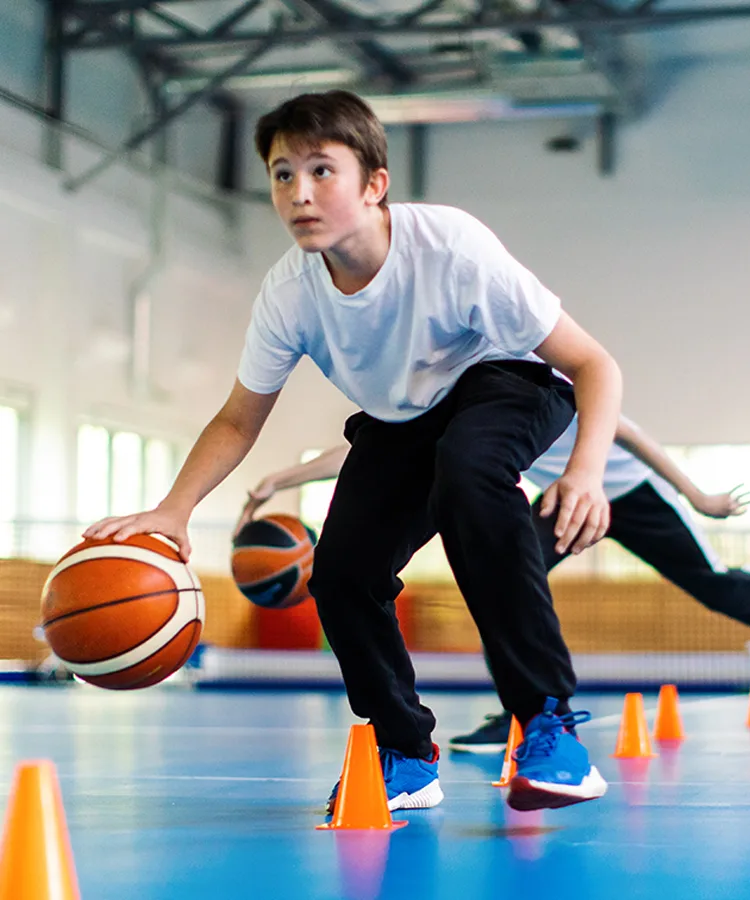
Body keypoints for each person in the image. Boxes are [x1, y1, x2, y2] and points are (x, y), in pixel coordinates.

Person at [84, 90, 622, 813]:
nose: (298, 194)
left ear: (374, 184)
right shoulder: (290, 295)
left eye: (321, 171)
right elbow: (239, 419)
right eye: (281, 175)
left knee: (470, 477)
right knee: (340, 574)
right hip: (401, 418)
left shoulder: (451, 247)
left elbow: (594, 364)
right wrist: (172, 512)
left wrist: (586, 474)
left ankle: (549, 722)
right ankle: (404, 750)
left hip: (508, 380)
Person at [234, 415, 750, 755]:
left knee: (710, 584)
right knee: (500, 575)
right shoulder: (448, 394)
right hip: (564, 499)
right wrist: (285, 478)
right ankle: (528, 710)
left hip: (624, 491)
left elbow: (625, 428)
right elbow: (368, 452)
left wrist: (697, 493)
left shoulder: (535, 365)